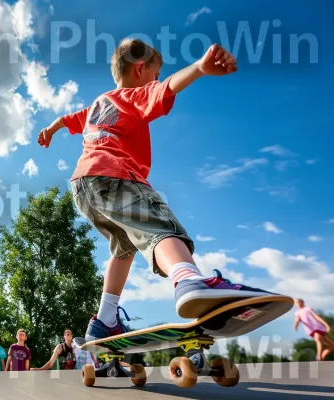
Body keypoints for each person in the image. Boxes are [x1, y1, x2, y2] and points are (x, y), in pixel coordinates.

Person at [37, 38, 274, 341]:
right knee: (159, 226)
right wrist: (200, 68)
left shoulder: (99, 103)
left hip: (84, 186)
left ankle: (105, 319)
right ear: (139, 69)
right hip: (115, 175)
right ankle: (189, 281)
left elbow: (66, 119)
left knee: (124, 248)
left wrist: (50, 131)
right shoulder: (135, 95)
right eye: (155, 73)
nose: (157, 79)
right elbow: (168, 87)